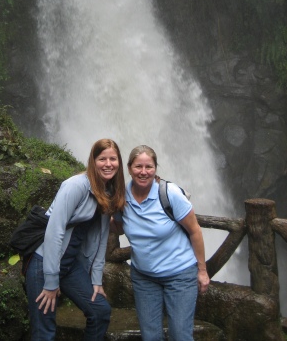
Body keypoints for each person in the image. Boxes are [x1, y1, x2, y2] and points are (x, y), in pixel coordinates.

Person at [25, 139, 126, 341]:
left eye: (113, 159)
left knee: (100, 311)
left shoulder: (108, 192)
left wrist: (96, 279)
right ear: (93, 161)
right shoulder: (75, 186)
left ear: (119, 162)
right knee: (44, 331)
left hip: (69, 265)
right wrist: (51, 281)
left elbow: (102, 236)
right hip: (43, 263)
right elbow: (54, 231)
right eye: (102, 159)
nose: (108, 164)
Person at [112, 145, 210, 341]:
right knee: (150, 336)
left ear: (156, 168)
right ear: (129, 168)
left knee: (180, 335)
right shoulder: (121, 196)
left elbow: (195, 231)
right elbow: (120, 226)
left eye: (149, 166)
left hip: (180, 275)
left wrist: (202, 270)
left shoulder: (169, 193)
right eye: (138, 166)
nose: (143, 172)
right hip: (144, 277)